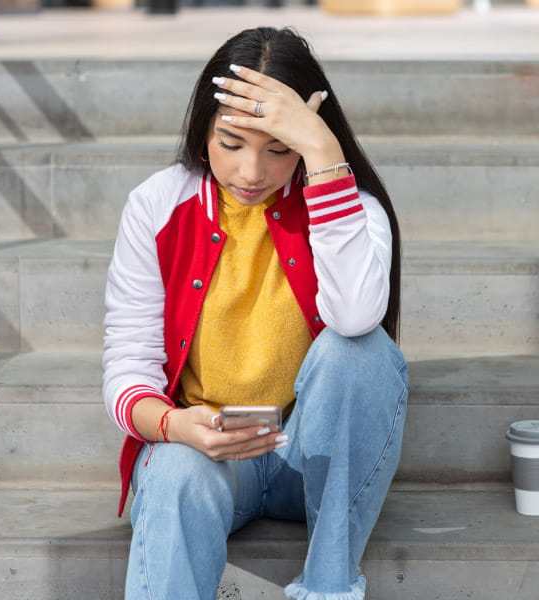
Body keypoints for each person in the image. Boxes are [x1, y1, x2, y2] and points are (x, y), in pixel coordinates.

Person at [102, 27, 407, 600]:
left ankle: (328, 586)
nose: (250, 172)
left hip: (311, 456)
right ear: (202, 134)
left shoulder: (350, 207)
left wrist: (322, 154)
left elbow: (357, 317)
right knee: (171, 470)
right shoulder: (157, 205)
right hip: (214, 455)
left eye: (279, 148)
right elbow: (128, 363)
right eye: (231, 143)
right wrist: (171, 426)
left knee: (358, 349)